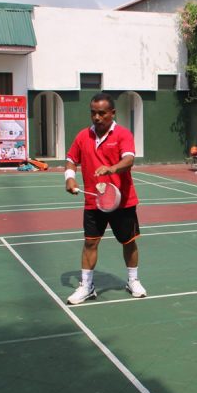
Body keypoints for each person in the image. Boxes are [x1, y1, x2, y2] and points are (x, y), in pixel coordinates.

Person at [64, 93, 146, 304]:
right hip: (94, 200)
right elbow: (71, 160)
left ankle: (133, 280)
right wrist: (69, 179)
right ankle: (87, 286)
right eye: (93, 113)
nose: (97, 117)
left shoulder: (123, 134)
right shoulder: (83, 136)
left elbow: (128, 159)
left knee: (128, 243)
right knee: (90, 243)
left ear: (112, 113)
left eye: (102, 113)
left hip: (122, 200)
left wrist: (112, 168)